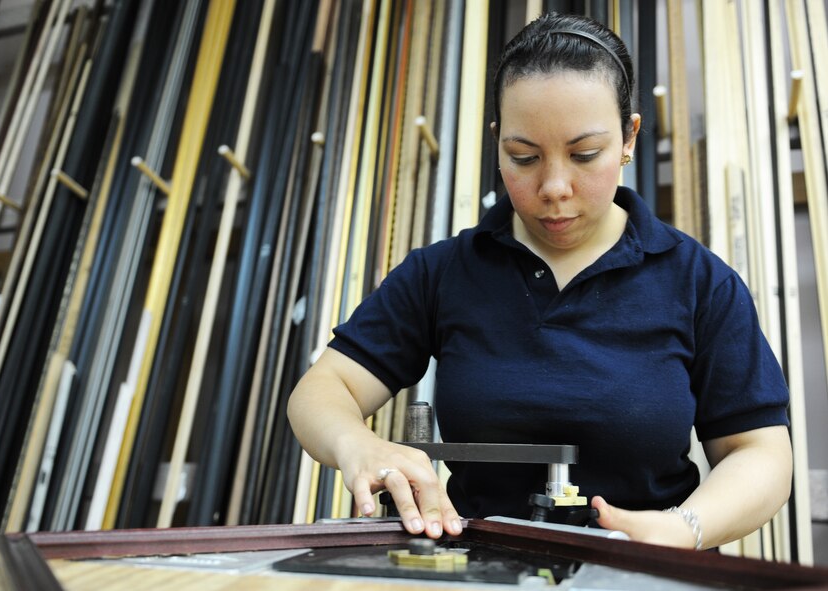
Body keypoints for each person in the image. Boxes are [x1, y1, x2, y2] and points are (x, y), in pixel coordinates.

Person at [287, 11, 792, 550]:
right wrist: (357, 444)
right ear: (498, 142)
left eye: (584, 155)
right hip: (476, 574)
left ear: (629, 136)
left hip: (643, 573)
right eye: (523, 157)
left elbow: (759, 452)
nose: (554, 186)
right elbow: (322, 391)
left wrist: (683, 528)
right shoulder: (443, 273)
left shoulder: (698, 282)